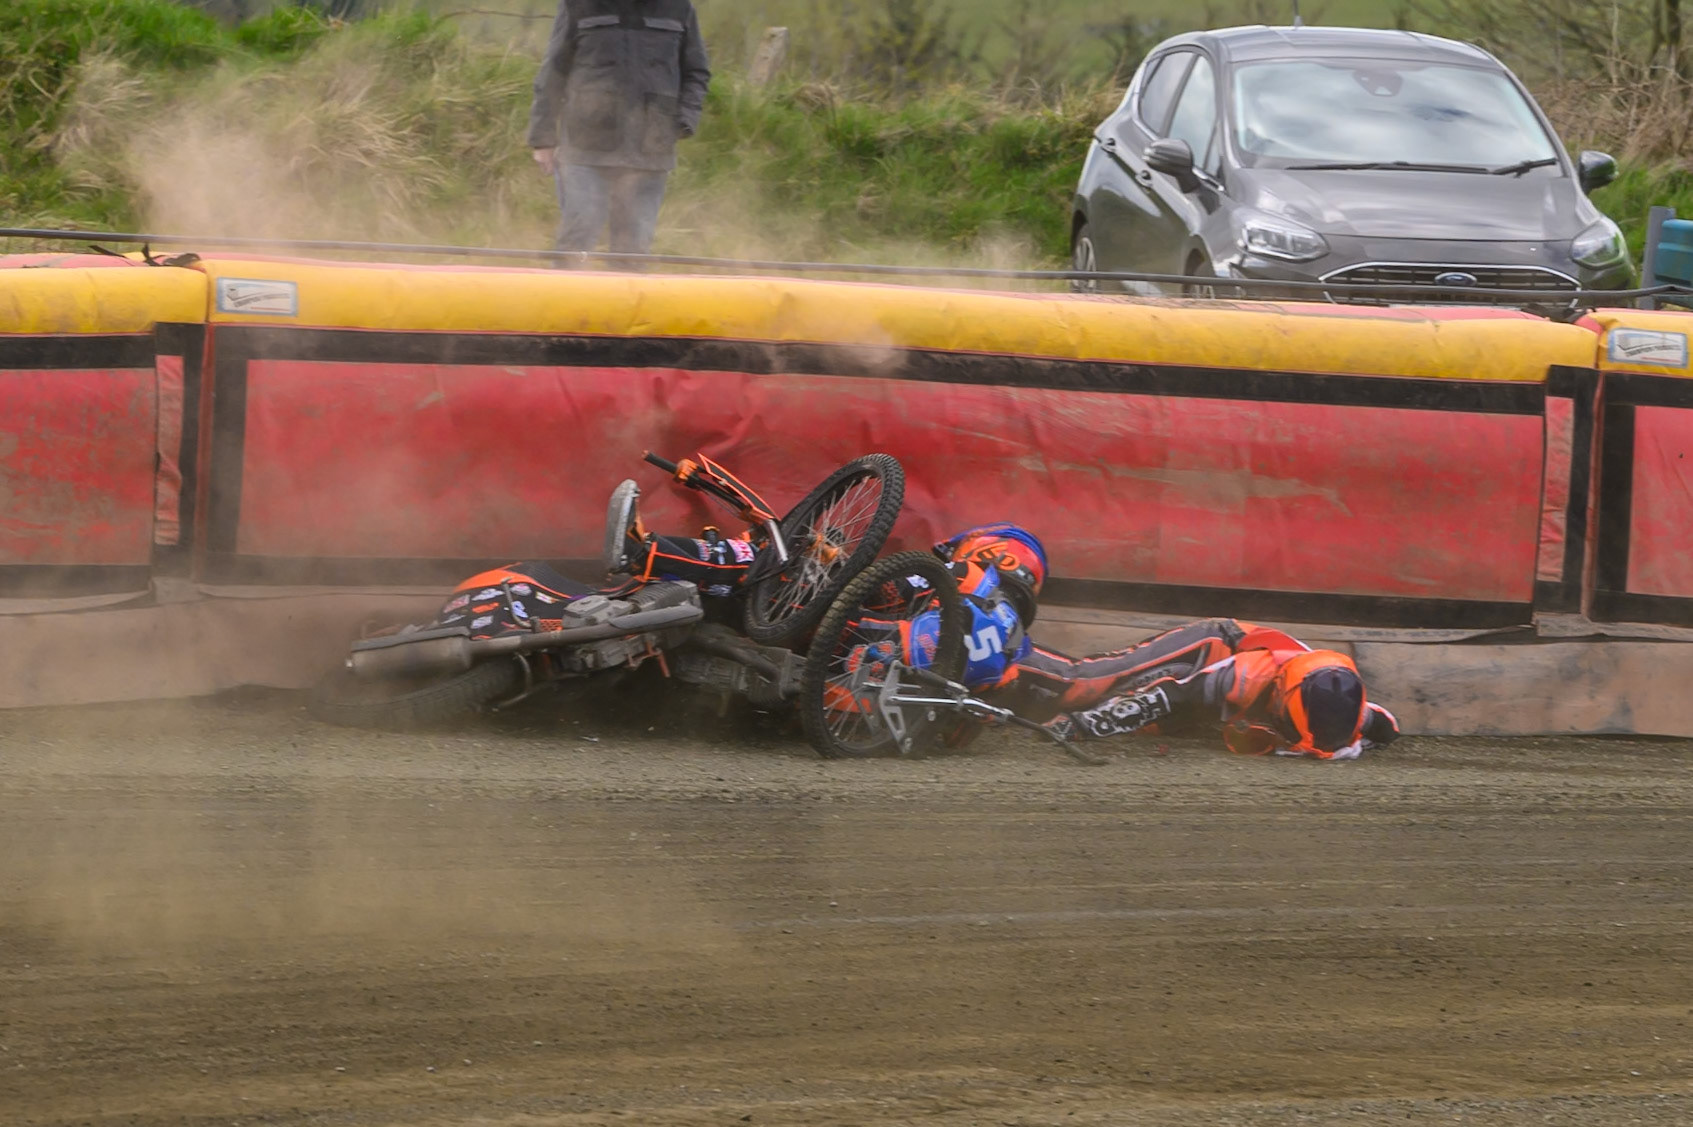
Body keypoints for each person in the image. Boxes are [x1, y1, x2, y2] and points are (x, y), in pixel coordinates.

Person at [527, 0, 711, 257]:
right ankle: (569, 295)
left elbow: (696, 72)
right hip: (585, 146)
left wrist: (684, 118)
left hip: (651, 147)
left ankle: (626, 294)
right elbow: (554, 72)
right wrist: (542, 138)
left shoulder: (679, 8)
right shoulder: (578, 5)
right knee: (577, 240)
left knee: (633, 251)